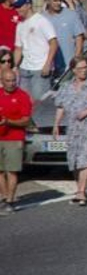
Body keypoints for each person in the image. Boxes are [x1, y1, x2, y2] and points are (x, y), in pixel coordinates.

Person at [52, 54, 87, 206]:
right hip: (72, 126)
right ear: (73, 70)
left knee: (86, 156)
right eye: (80, 68)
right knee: (75, 159)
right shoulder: (66, 86)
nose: (84, 70)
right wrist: (56, 124)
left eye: (86, 67)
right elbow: (60, 106)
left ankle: (81, 192)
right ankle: (79, 188)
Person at [0, 64, 31, 211]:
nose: (11, 83)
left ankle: (10, 200)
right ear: (2, 81)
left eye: (13, 80)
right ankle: (5, 196)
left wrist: (8, 121)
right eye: (8, 80)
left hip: (14, 138)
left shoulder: (22, 96)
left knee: (11, 170)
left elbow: (26, 120)